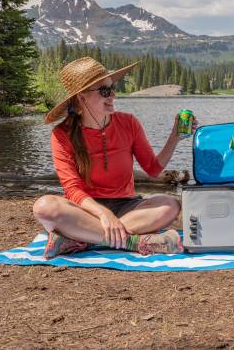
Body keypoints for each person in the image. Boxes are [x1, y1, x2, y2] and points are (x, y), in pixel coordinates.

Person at [33, 57, 194, 258]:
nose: (113, 95)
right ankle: (133, 242)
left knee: (169, 205)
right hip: (85, 209)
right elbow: (72, 189)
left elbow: (153, 169)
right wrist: (104, 214)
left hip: (127, 207)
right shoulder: (62, 134)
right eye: (105, 91)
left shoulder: (128, 123)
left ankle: (82, 239)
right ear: (82, 97)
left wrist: (174, 138)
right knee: (44, 206)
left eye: (112, 88)